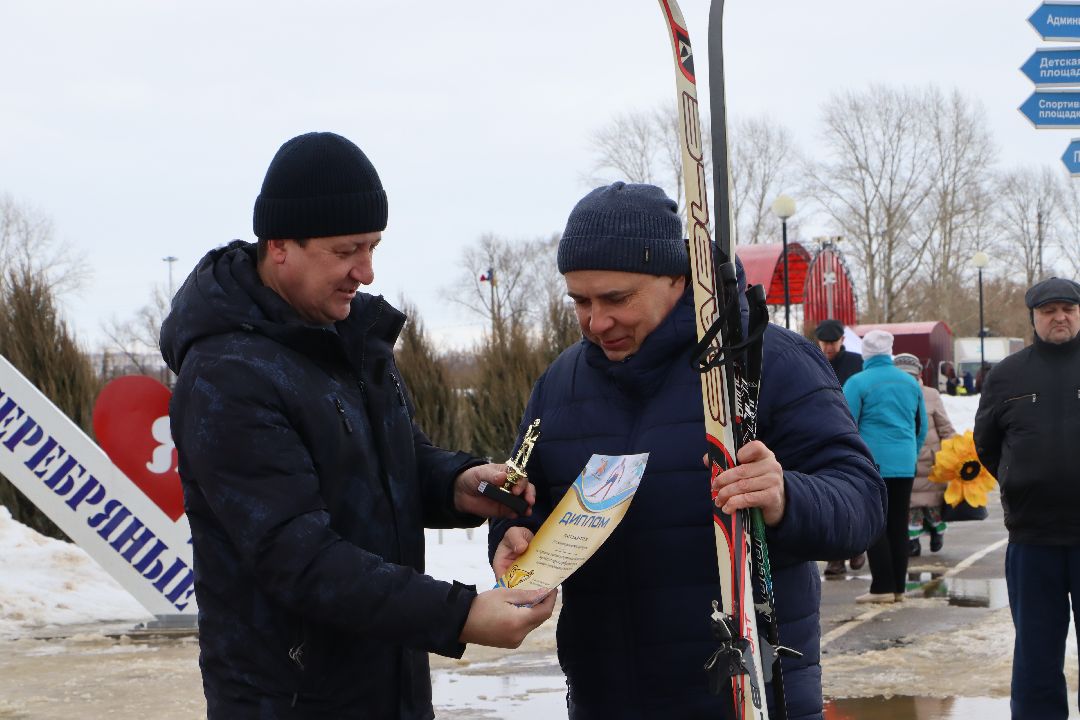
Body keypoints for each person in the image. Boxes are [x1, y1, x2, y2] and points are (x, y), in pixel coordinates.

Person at [159, 131, 556, 719]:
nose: (365, 272)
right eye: (347, 251)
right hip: (290, 701)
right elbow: (299, 557)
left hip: (387, 685)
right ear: (280, 247)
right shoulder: (226, 377)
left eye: (372, 247)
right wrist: (461, 615)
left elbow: (391, 463)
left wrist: (458, 482)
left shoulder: (348, 338)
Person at [488, 182, 885, 719]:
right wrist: (514, 532)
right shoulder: (561, 382)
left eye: (616, 298)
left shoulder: (766, 360)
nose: (596, 322)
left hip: (748, 698)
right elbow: (526, 497)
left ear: (678, 278)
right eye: (580, 301)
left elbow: (861, 503)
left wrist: (784, 494)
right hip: (606, 700)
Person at [974, 276, 1080, 719]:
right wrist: (1022, 481)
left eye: (1068, 309)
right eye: (1049, 310)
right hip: (1032, 539)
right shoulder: (1007, 375)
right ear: (1033, 318)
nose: (1059, 317)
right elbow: (987, 444)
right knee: (1036, 651)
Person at [842, 330, 927, 604]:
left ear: (866, 353)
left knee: (876, 523)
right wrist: (910, 450)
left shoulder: (857, 382)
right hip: (904, 461)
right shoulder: (911, 383)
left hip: (872, 462)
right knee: (899, 524)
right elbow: (921, 425)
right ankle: (899, 587)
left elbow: (846, 423)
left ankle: (881, 587)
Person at [814, 318, 867, 577]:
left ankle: (857, 546)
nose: (828, 347)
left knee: (852, 494)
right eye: (824, 342)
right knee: (830, 497)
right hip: (822, 436)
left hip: (854, 435)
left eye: (832, 342)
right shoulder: (812, 361)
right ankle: (835, 558)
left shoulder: (857, 364)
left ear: (842, 340)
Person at [893, 353, 956, 557]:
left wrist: (954, 450)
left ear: (919, 374)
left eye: (911, 375)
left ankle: (937, 533)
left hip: (930, 462)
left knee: (932, 506)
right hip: (905, 461)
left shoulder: (931, 395)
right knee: (911, 507)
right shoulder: (890, 396)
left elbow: (945, 427)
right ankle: (912, 541)